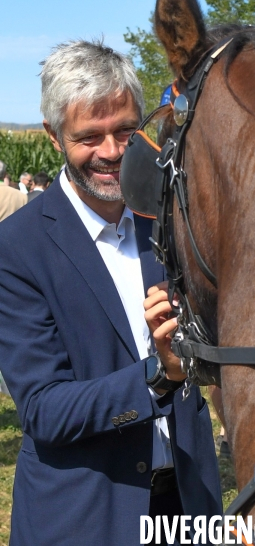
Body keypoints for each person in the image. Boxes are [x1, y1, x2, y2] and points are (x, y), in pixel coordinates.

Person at [0, 40, 221, 546]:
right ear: (53, 137)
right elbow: (43, 409)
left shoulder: (174, 223)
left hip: (188, 508)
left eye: (126, 130)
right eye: (89, 137)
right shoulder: (16, 249)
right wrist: (157, 377)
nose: (112, 152)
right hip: (85, 518)